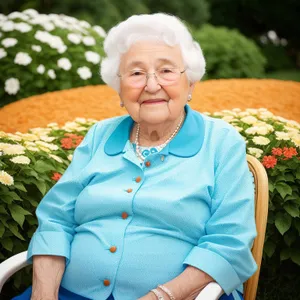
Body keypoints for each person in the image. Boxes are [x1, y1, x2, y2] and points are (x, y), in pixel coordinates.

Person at [14, 13, 257, 300]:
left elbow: (229, 242)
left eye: (166, 71)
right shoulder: (99, 136)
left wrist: (160, 296)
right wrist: (43, 293)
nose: (151, 85)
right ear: (119, 89)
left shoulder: (221, 142)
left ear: (190, 83)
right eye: (136, 73)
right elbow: (56, 219)